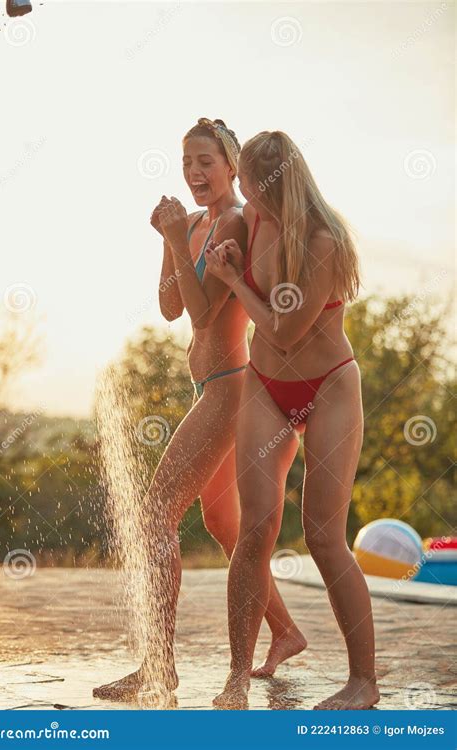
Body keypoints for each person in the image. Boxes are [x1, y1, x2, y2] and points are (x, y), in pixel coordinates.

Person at [93, 120, 304, 702]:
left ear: (231, 166)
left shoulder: (233, 220)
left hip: (229, 389)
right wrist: (170, 240)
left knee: (156, 512)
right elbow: (168, 307)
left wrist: (176, 240)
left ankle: (157, 667)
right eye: (186, 161)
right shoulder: (193, 226)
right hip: (207, 385)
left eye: (206, 161)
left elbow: (207, 311)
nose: (194, 172)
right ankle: (286, 632)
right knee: (221, 523)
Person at [206, 130, 380, 710]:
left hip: (328, 385)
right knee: (255, 530)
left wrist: (234, 280)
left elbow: (283, 329)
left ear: (273, 184)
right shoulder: (251, 222)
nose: (247, 200)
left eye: (253, 190)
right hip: (266, 384)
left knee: (324, 537)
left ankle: (364, 683)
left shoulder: (324, 242)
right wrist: (223, 260)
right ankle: (236, 676)